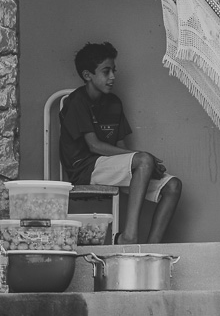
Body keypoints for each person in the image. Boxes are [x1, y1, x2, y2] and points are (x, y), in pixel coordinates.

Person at [59, 42, 183, 244]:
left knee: (173, 186)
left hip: (110, 168)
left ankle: (153, 252)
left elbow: (122, 148)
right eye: (106, 72)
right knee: (143, 160)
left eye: (113, 71)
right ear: (87, 75)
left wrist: (144, 165)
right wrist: (144, 159)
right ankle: (128, 237)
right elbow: (95, 146)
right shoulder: (76, 102)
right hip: (85, 169)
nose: (113, 77)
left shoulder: (114, 102)